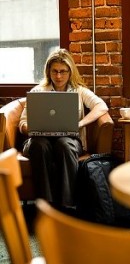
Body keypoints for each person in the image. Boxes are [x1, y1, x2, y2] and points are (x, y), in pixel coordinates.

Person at [19, 48, 108, 211]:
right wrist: (30, 128)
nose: (58, 76)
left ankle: (67, 205)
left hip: (69, 140)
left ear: (70, 71)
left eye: (63, 71)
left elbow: (101, 106)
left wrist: (80, 124)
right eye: (54, 71)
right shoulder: (38, 91)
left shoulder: (79, 91)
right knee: (39, 145)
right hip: (39, 140)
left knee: (64, 145)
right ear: (48, 71)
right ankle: (45, 205)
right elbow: (22, 122)